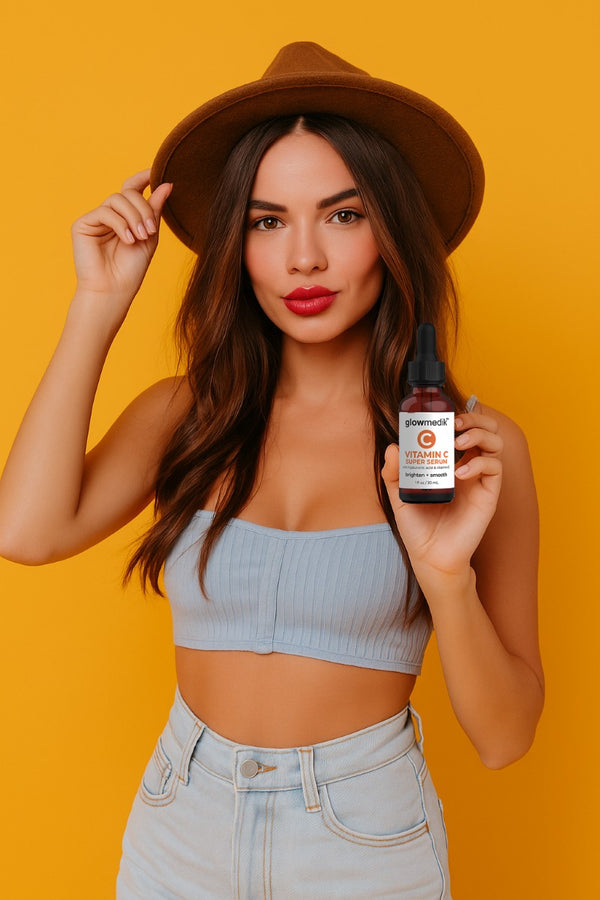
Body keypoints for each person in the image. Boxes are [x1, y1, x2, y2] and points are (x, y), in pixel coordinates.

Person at [0, 41, 544, 899]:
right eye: (266, 220)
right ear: (237, 243)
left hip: (363, 839)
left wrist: (445, 580)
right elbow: (23, 532)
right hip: (180, 820)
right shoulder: (187, 414)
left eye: (342, 215)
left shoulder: (471, 447)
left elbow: (505, 738)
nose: (303, 260)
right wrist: (96, 309)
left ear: (392, 232)